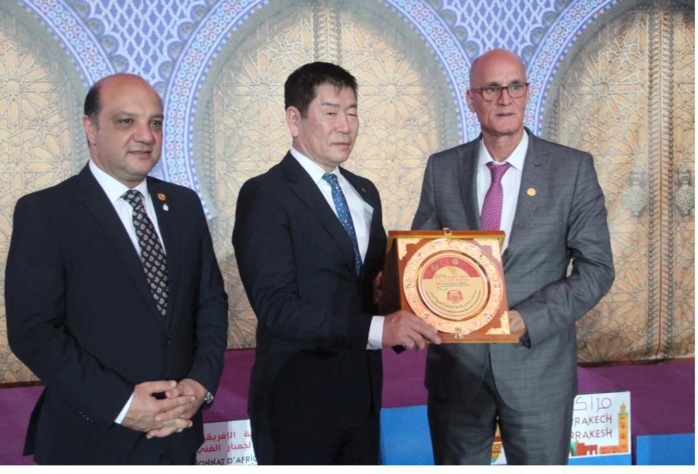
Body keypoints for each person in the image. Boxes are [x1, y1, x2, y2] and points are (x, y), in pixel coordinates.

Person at [5, 73, 229, 464]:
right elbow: (34, 332)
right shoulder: (46, 212)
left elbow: (210, 303)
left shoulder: (183, 205)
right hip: (90, 442)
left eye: (155, 123)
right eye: (126, 121)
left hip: (177, 438)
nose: (145, 135)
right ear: (90, 128)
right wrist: (124, 404)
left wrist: (199, 386)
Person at [411, 49, 614, 464]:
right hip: (457, 370)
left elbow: (596, 270)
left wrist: (527, 318)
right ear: (471, 99)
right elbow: (422, 258)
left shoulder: (572, 169)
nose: (505, 98)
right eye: (491, 88)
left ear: (527, 93)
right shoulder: (441, 168)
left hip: (536, 368)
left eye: (514, 86)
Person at [232, 61, 440, 465]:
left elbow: (363, 286)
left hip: (362, 396)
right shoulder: (265, 194)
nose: (345, 126)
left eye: (353, 112)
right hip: (296, 401)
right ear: (295, 119)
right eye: (330, 113)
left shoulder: (364, 191)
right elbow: (276, 307)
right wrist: (381, 327)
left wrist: (387, 294)